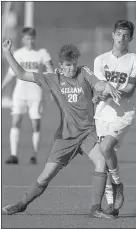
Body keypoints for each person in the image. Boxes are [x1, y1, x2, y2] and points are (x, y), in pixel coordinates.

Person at [2, 38, 122, 219]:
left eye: (74, 64)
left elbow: (98, 84)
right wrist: (6, 53)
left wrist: (107, 86)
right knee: (45, 176)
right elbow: (21, 74)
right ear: (60, 65)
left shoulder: (84, 72)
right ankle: (22, 204)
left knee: (101, 161)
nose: (72, 68)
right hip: (65, 137)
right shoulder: (52, 78)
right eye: (68, 65)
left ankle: (95, 208)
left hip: (87, 133)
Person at [93, 20, 136, 216]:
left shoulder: (135, 60)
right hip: (102, 114)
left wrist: (111, 90)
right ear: (112, 35)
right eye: (119, 34)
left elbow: (129, 91)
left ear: (131, 38)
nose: (122, 38)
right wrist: (102, 91)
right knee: (102, 160)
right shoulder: (100, 60)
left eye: (126, 35)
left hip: (123, 114)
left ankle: (118, 184)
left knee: (105, 148)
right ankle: (112, 206)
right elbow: (97, 85)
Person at [2, 27, 54, 165]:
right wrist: (2, 87)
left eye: (32, 38)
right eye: (27, 38)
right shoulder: (18, 54)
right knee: (16, 121)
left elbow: (50, 71)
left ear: (35, 39)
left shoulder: (42, 53)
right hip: (20, 93)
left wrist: (53, 89)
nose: (30, 41)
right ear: (23, 39)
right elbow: (11, 73)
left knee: (35, 124)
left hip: (35, 94)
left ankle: (34, 155)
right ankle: (13, 155)